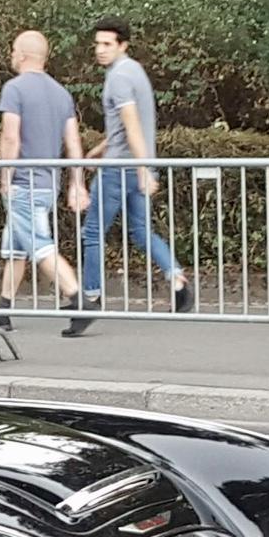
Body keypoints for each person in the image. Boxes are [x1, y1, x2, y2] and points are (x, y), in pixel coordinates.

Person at [72, 17, 193, 336]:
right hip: (132, 163)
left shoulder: (118, 77)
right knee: (140, 231)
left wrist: (143, 169)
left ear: (123, 45)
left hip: (119, 169)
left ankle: (90, 298)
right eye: (97, 44)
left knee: (92, 233)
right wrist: (102, 148)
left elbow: (132, 124)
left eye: (107, 44)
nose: (100, 50)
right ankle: (177, 280)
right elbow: (126, 126)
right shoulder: (135, 71)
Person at [0, 30, 92, 333]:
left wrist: (5, 175)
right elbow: (73, 143)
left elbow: (11, 137)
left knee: (38, 244)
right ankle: (3, 307)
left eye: (13, 50)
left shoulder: (14, 89)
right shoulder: (61, 93)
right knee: (16, 243)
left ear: (22, 54)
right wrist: (77, 183)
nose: (11, 55)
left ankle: (79, 298)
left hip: (24, 181)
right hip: (48, 183)